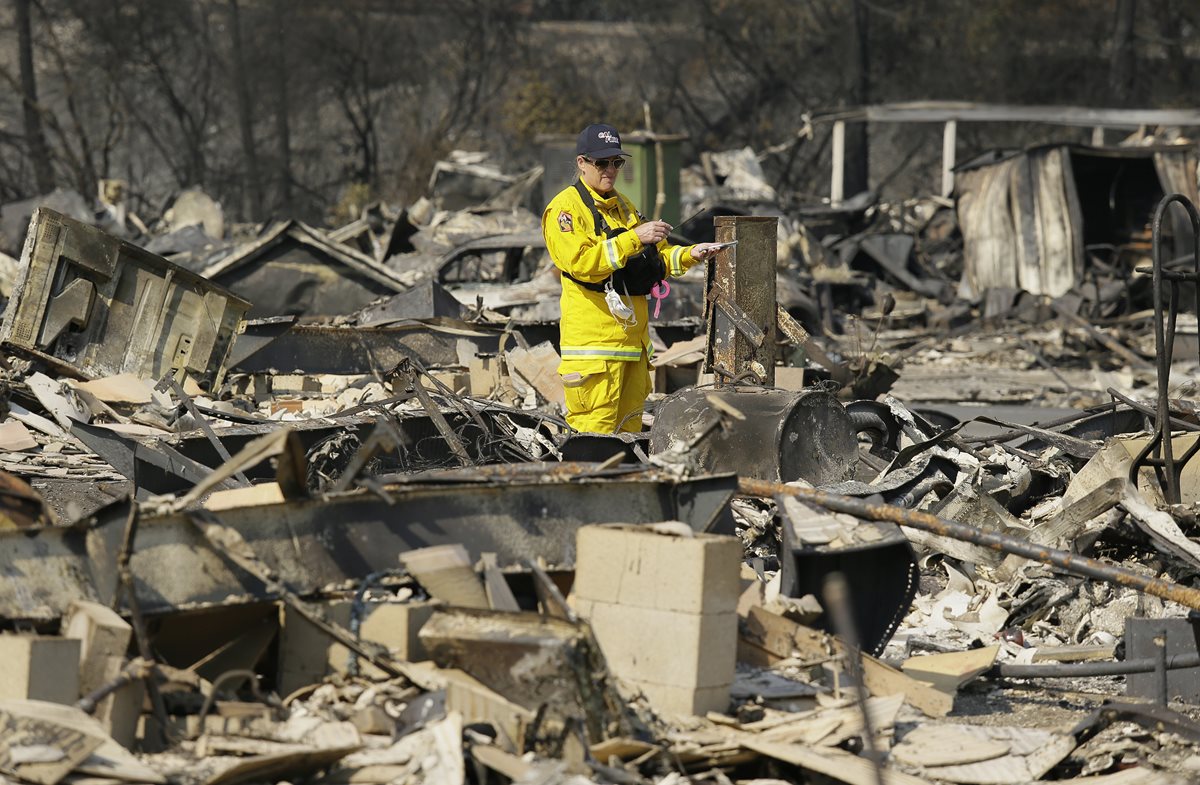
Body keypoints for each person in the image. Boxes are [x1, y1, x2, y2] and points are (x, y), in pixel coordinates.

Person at [541, 122, 725, 433]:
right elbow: (582, 262)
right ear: (581, 163)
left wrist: (693, 254)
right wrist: (635, 238)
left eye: (616, 162)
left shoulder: (624, 206)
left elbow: (656, 261)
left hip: (632, 352)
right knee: (595, 445)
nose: (610, 170)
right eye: (601, 163)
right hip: (594, 357)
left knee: (629, 442)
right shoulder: (565, 209)